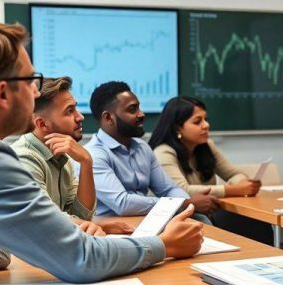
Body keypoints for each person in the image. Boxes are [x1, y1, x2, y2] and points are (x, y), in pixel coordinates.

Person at [0, 21, 203, 283]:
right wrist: (164, 245)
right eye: (31, 81)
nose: (35, 91)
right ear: (3, 94)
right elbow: (81, 258)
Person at [11, 76, 132, 235]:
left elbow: (82, 216)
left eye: (75, 108)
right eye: (69, 111)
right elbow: (47, 219)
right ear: (42, 124)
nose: (80, 116)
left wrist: (86, 162)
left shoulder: (61, 154)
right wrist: (97, 226)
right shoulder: (24, 158)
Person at [84, 81, 219, 222]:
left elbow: (169, 189)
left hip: (148, 220)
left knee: (200, 219)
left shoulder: (142, 147)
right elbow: (123, 204)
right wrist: (183, 204)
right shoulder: (93, 155)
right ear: (108, 118)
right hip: (114, 228)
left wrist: (186, 206)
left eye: (139, 108)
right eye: (132, 110)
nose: (141, 114)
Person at [149, 96, 261, 198]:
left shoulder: (206, 145)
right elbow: (181, 191)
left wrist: (242, 184)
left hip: (208, 211)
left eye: (205, 120)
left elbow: (235, 174)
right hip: (177, 215)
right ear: (177, 128)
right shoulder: (163, 152)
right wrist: (233, 190)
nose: (206, 125)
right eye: (197, 122)